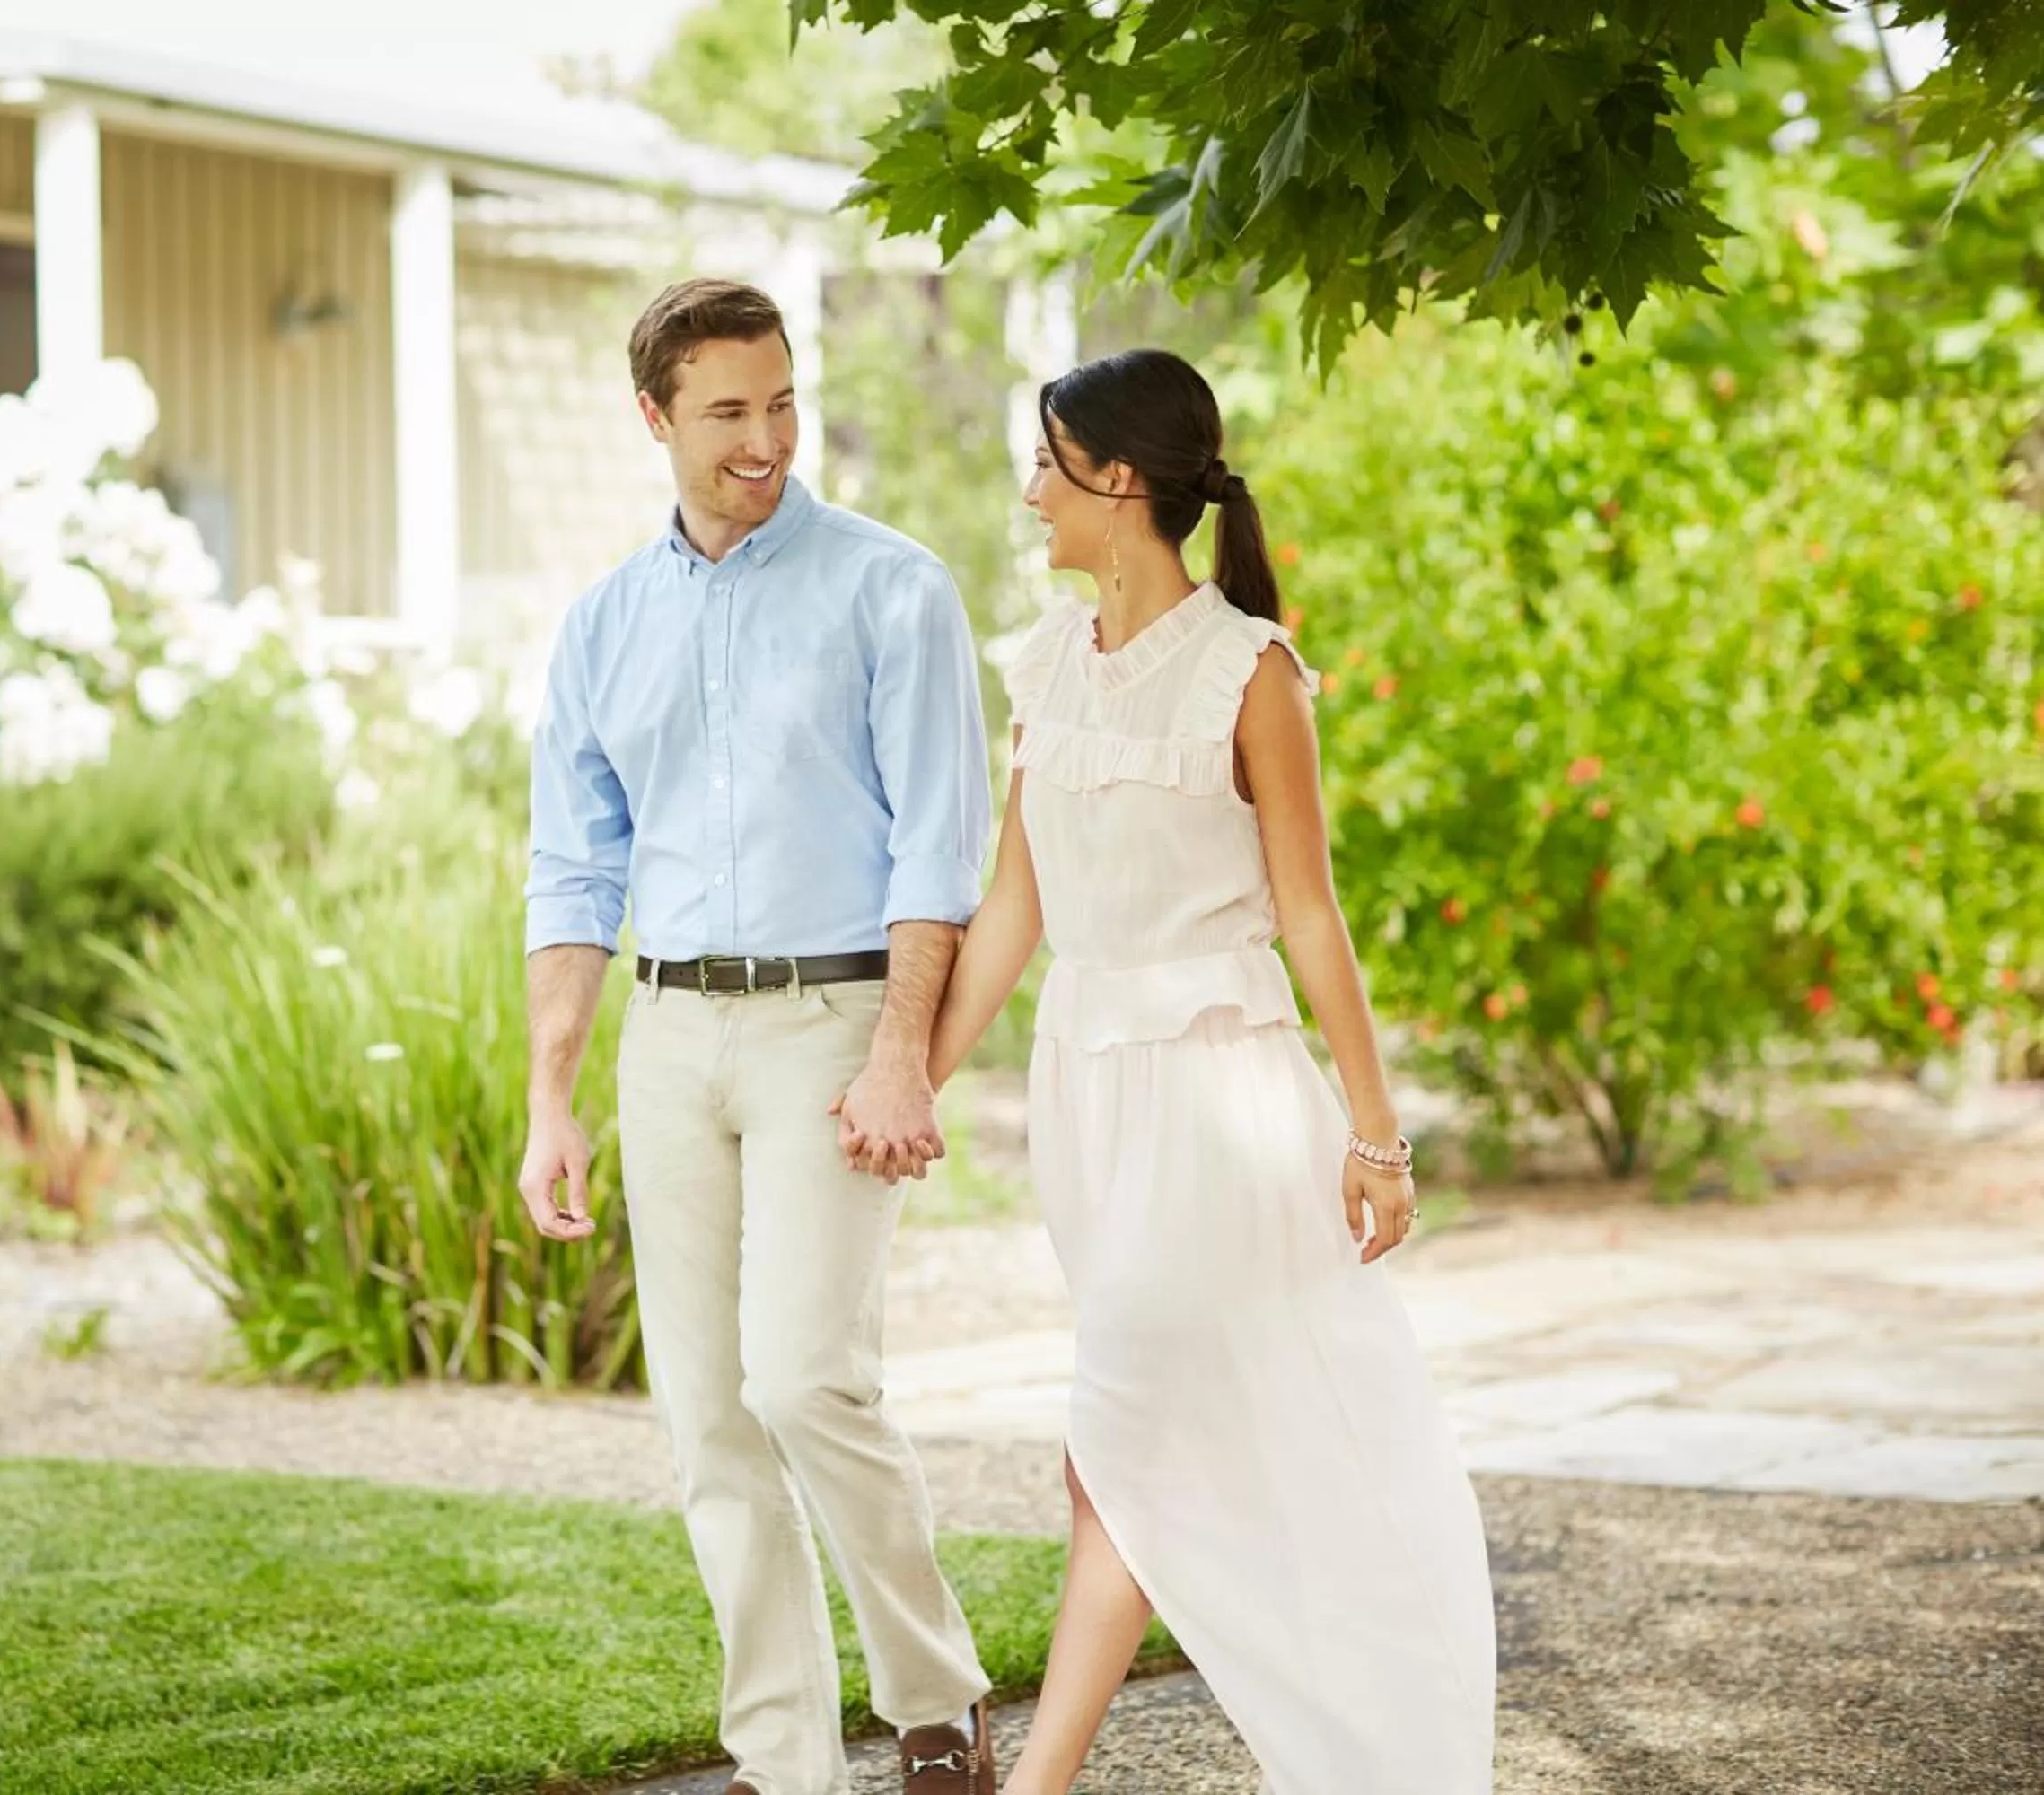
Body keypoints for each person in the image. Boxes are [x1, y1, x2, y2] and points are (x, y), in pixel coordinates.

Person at [926, 349, 1499, 1795]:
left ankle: (1037, 1783)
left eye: (1048, 462)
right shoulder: (1046, 661)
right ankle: (1348, 1714)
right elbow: (1014, 906)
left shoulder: (1253, 671)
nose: (1028, 490)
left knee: (1115, 1440)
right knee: (1172, 1439)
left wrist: (1378, 1137)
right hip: (1088, 1098)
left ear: (1120, 484)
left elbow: (1313, 914)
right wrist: (911, 1079)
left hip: (1218, 1098)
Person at [520, 277, 999, 1795]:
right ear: (653, 417)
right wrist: (554, 1099)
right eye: (728, 410)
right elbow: (574, 870)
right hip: (669, 1039)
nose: (765, 438)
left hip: (833, 1020)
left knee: (805, 1380)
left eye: (781, 401)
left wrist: (902, 1051)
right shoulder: (602, 625)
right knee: (711, 1425)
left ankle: (934, 1698)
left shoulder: (892, 587)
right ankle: (785, 1762)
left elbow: (941, 841)